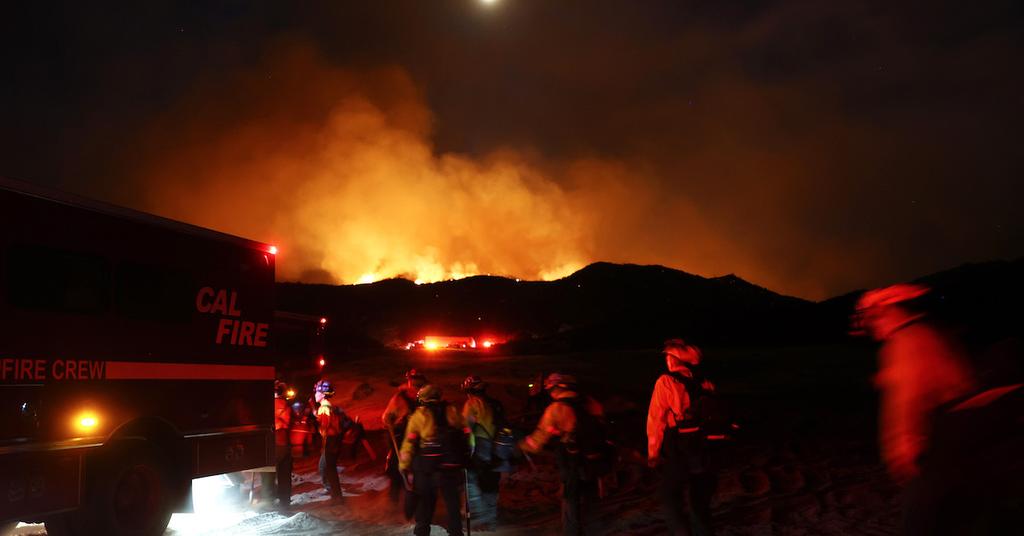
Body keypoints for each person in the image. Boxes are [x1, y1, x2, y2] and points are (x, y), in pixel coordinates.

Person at [854, 283, 1024, 534]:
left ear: (888, 311)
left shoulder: (906, 340)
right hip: (967, 440)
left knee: (923, 519)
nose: (870, 324)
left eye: (872, 316)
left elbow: (909, 397)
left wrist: (905, 443)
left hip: (944, 442)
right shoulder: (927, 332)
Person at [647, 339, 719, 536]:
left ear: (676, 359)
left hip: (678, 447)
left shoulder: (666, 382)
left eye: (669, 356)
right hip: (704, 445)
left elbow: (656, 420)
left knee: (670, 497)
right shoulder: (705, 382)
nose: (666, 360)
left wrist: (653, 453)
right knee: (699, 500)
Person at [519, 373, 605, 536]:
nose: (550, 393)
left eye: (551, 389)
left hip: (572, 462)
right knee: (590, 499)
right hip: (594, 460)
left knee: (570, 501)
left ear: (557, 388)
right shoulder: (591, 402)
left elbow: (538, 439)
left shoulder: (557, 408)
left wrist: (521, 445)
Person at [399, 384, 472, 536]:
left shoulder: (418, 416)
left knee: (425, 503)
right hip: (450, 466)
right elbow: (466, 432)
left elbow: (409, 444)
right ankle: (456, 532)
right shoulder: (451, 410)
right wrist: (467, 454)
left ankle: (422, 532)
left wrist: (404, 465)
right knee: (452, 504)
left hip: (426, 468)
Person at [461, 375, 505, 530]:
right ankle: (491, 520)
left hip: (480, 448)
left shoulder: (472, 404)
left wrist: (466, 452)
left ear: (469, 390)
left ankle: (480, 518)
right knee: (492, 483)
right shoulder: (496, 404)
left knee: (472, 481)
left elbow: (467, 429)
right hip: (498, 448)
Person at [383, 368, 428, 514]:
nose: (415, 383)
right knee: (400, 470)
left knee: (405, 471)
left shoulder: (406, 397)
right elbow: (386, 418)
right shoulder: (402, 398)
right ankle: (396, 502)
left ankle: (407, 504)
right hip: (411, 440)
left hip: (415, 441)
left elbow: (386, 418)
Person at [260, 380, 294, 508]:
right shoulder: (286, 405)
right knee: (284, 474)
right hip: (285, 444)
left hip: (272, 442)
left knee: (267, 472)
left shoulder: (268, 406)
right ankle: (285, 502)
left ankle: (268, 500)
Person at [315, 379, 344, 501]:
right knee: (325, 466)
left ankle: (336, 496)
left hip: (330, 441)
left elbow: (324, 426)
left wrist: (317, 423)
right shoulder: (328, 406)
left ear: (322, 394)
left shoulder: (324, 408)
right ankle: (333, 492)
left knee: (329, 468)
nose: (315, 394)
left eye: (317, 392)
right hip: (334, 440)